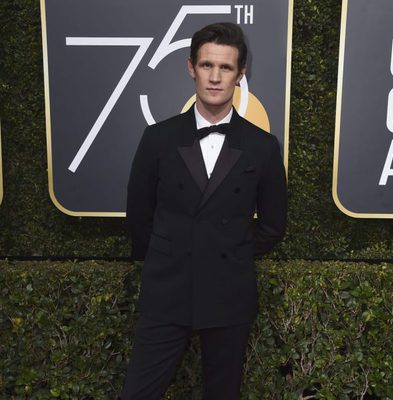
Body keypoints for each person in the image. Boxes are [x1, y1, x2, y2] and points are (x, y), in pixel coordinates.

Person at [121, 22, 287, 400]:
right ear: (191, 67)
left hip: (229, 293)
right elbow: (138, 215)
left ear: (240, 74)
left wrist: (227, 252)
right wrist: (172, 254)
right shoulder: (159, 138)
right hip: (167, 291)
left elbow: (273, 225)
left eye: (225, 68)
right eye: (207, 65)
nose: (215, 77)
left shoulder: (262, 146)